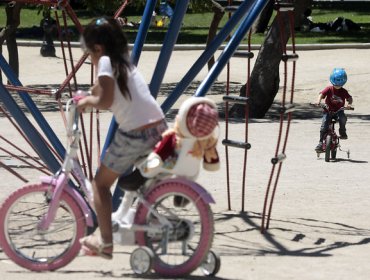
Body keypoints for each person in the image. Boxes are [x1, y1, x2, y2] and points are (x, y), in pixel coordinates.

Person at [77, 17, 167, 259]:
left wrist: (86, 102)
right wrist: (88, 94)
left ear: (97, 49)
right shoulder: (122, 60)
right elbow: (105, 90)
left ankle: (105, 241)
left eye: (90, 54)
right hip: (158, 126)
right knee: (136, 183)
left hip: (136, 133)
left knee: (101, 184)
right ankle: (138, 219)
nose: (92, 59)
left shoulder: (105, 61)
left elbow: (104, 101)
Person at [314, 68, 353, 152]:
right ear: (332, 81)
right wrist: (318, 101)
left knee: (343, 118)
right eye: (336, 84)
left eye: (339, 84)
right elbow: (321, 94)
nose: (337, 86)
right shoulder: (329, 89)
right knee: (324, 125)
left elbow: (350, 98)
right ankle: (320, 143)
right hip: (328, 110)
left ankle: (342, 131)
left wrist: (349, 104)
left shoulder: (343, 91)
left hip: (339, 111)